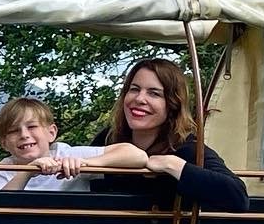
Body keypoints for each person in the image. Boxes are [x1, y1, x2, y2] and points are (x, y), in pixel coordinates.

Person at [90, 57, 249, 212]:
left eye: (154, 94)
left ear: (172, 104)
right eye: (134, 89)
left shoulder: (187, 148)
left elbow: (238, 198)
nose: (139, 99)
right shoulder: (108, 138)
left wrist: (173, 165)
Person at [0, 96, 148, 192]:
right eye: (13, 131)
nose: (24, 135)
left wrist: (86, 164)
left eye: (32, 127)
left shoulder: (68, 156)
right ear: (4, 143)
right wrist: (27, 172)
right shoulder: (5, 169)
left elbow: (138, 156)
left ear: (51, 133)